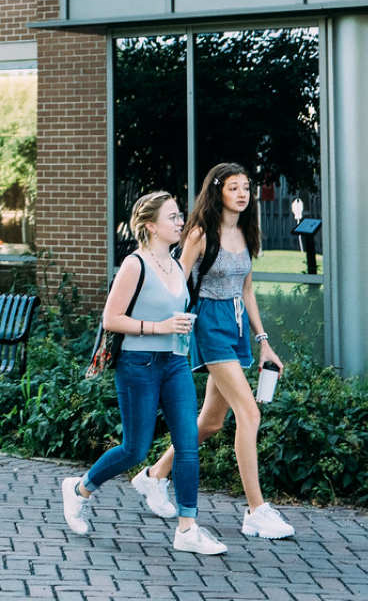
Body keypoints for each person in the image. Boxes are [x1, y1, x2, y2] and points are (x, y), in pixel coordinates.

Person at [134, 163, 296, 540]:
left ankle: (154, 475)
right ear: (218, 191)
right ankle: (256, 511)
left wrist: (263, 342)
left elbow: (247, 290)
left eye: (247, 188)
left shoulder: (245, 232)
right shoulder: (199, 233)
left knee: (210, 423)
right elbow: (175, 281)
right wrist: (163, 330)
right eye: (234, 188)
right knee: (250, 414)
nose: (242, 194)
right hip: (208, 324)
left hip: (236, 326)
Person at [60, 191, 227, 555]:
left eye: (180, 215)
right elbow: (111, 319)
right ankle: (79, 489)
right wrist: (161, 326)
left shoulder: (177, 265)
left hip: (175, 363)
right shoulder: (135, 264)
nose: (180, 221)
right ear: (151, 226)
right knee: (134, 449)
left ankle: (187, 528)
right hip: (139, 365)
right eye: (172, 217)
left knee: (187, 446)